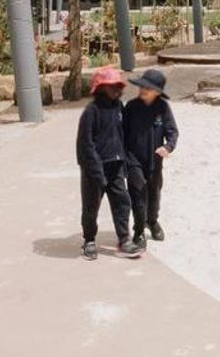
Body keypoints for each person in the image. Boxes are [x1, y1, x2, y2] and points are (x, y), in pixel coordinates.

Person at [75, 66, 143, 260]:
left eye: (117, 85)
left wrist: (126, 162)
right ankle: (89, 240)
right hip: (94, 168)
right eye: (111, 85)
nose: (115, 89)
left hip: (116, 165)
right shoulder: (91, 111)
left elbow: (124, 137)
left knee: (122, 202)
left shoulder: (118, 107)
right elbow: (85, 144)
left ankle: (124, 239)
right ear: (101, 86)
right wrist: (96, 171)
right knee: (91, 206)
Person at [123, 67, 178, 247]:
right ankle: (138, 231)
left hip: (155, 162)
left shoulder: (163, 108)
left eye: (147, 89)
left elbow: (172, 132)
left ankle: (152, 222)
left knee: (154, 196)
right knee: (138, 197)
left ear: (156, 92)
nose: (143, 91)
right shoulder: (131, 107)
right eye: (141, 87)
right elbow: (122, 134)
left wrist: (167, 147)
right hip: (133, 160)